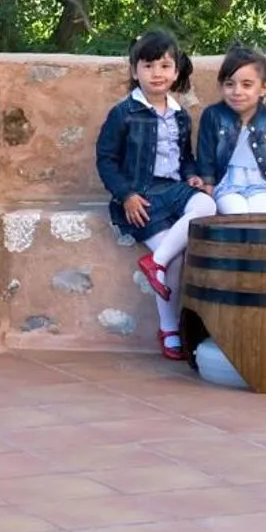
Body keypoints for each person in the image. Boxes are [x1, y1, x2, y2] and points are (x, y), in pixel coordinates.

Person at [96, 28, 214, 362]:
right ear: (135, 71)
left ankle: (154, 263)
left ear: (176, 71)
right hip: (141, 198)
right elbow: (106, 160)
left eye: (164, 66)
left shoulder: (180, 114)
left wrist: (192, 177)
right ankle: (170, 329)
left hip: (173, 191)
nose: (156, 73)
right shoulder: (124, 114)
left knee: (207, 204)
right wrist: (126, 194)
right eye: (148, 66)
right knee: (174, 259)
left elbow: (185, 158)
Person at [191, 45, 266, 215]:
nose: (237, 92)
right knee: (237, 212)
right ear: (221, 86)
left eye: (246, 85)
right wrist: (208, 202)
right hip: (227, 187)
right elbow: (207, 163)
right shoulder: (213, 116)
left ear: (263, 88)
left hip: (261, 186)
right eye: (229, 84)